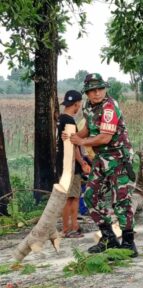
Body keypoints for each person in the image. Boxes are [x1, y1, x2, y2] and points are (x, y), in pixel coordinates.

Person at [66, 73, 137, 256]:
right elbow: (88, 128)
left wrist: (82, 143)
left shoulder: (109, 107)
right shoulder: (89, 106)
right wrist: (74, 137)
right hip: (101, 157)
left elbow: (105, 137)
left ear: (105, 89)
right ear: (87, 93)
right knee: (90, 195)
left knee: (121, 200)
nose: (97, 93)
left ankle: (129, 243)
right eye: (92, 90)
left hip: (118, 157)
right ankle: (108, 239)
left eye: (100, 89)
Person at [56, 90, 89, 238]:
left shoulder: (60, 119)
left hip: (61, 163)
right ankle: (69, 228)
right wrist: (82, 163)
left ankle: (70, 226)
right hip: (69, 164)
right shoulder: (69, 121)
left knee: (70, 196)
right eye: (79, 104)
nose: (79, 107)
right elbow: (74, 146)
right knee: (72, 197)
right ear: (76, 104)